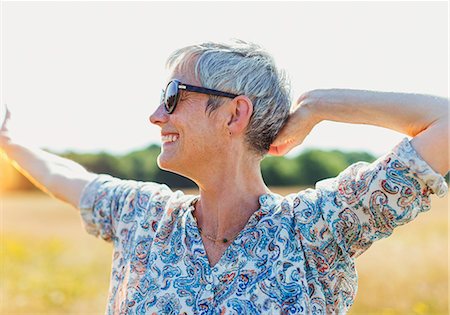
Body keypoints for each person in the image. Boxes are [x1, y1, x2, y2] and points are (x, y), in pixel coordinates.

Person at [0, 40, 448, 315]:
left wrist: (320, 104)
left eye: (174, 96)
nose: (156, 116)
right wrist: (7, 141)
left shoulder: (317, 230)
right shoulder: (142, 216)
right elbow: (61, 174)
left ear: (235, 113)